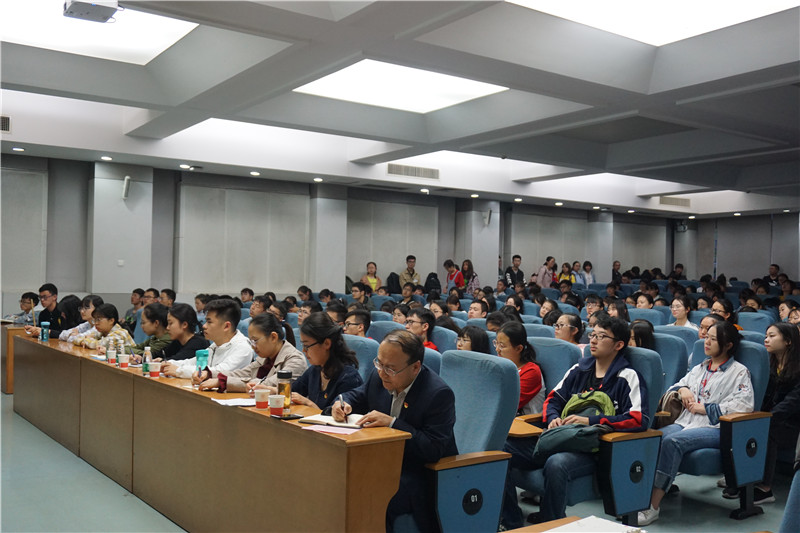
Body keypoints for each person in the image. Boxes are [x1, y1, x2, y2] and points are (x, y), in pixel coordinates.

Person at [501, 316, 648, 527]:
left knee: (557, 463)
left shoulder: (628, 377)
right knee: (502, 451)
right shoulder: (579, 370)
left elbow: (638, 419)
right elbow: (553, 400)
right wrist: (553, 419)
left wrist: (591, 421)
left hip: (593, 449)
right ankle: (512, 523)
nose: (593, 341)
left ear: (618, 345)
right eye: (592, 335)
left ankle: (551, 524)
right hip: (560, 437)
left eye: (601, 336)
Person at [332, 330, 457, 532]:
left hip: (418, 474)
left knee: (369, 492)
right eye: (379, 363)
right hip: (382, 462)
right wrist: (342, 403)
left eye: (390, 368)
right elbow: (356, 395)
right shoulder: (379, 376)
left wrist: (392, 423)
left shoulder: (438, 394)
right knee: (338, 479)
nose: (382, 372)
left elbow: (432, 449)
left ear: (415, 367)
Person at [638, 322, 754, 525]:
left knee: (673, 442)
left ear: (728, 345)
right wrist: (683, 389)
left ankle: (652, 506)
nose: (706, 342)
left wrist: (706, 408)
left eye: (713, 339)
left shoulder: (739, 372)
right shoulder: (701, 367)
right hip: (687, 422)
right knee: (653, 438)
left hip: (716, 427)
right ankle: (645, 494)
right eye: (706, 337)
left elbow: (744, 405)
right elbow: (677, 385)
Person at [720, 322, 799, 503]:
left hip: (792, 424)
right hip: (770, 416)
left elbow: (792, 403)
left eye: (772, 336)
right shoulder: (767, 364)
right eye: (766, 335)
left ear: (788, 341)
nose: (766, 339)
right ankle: (739, 479)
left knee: (767, 429)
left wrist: (763, 419)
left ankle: (765, 488)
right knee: (741, 424)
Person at [199, 313, 307, 393]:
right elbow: (241, 373)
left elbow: (266, 385)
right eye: (251, 341)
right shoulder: (265, 357)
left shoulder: (295, 360)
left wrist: (222, 382)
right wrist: (209, 374)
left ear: (273, 337)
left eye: (255, 341)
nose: (252, 346)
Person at [162, 299, 252, 381]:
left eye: (209, 322)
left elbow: (216, 372)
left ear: (226, 326)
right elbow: (193, 362)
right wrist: (168, 364)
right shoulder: (215, 345)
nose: (204, 326)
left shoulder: (243, 348)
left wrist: (178, 370)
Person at [288, 312, 362, 410]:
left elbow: (339, 416)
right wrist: (274, 391)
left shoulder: (349, 378)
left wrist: (308, 404)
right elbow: (293, 391)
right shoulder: (315, 370)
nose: (304, 350)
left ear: (326, 343)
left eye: (307, 346)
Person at [495, 322, 544, 415]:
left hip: (525, 421)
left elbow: (508, 403)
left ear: (518, 348)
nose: (497, 349)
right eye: (496, 343)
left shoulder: (531, 371)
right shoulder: (501, 366)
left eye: (502, 346)